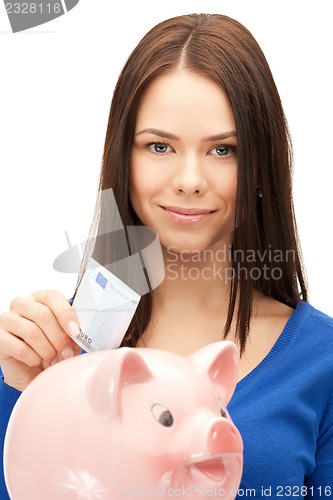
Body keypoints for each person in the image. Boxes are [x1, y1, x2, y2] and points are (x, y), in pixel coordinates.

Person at [1, 12, 333, 498]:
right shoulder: (48, 351)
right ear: (123, 157)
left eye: (224, 150)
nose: (190, 179)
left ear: (262, 164)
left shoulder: (321, 361)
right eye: (159, 146)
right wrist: (24, 398)